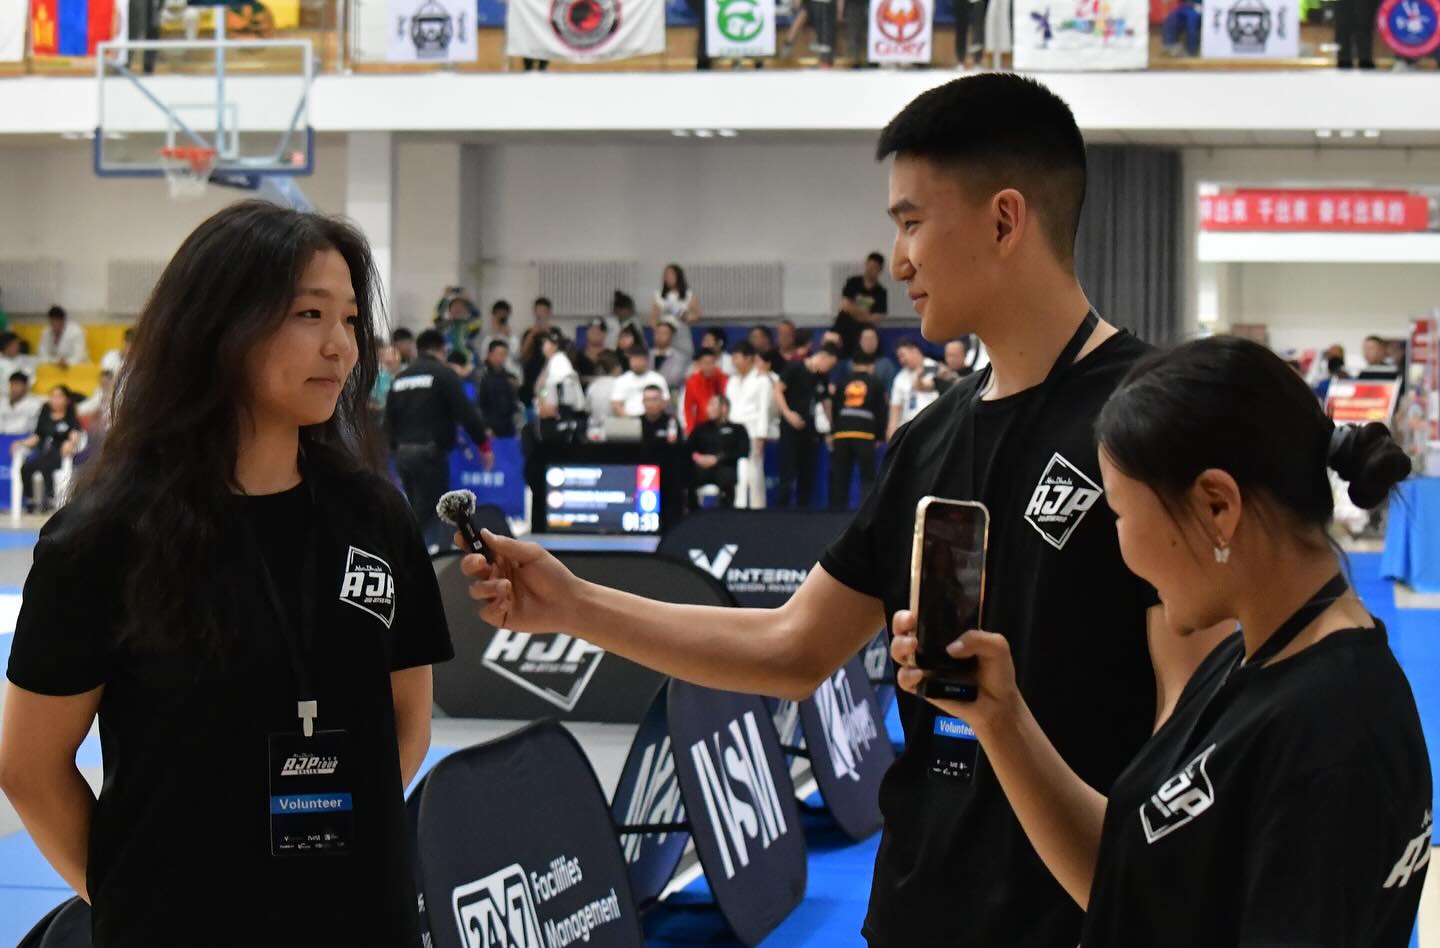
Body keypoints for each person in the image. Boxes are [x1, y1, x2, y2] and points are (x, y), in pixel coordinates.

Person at [453, 74, 1229, 948]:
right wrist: (573, 604)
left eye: (912, 222)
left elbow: (1191, 756)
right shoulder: (929, 439)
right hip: (916, 911)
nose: (897, 262)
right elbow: (792, 648)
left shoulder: (1155, 429)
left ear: (1005, 220)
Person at [0, 202, 452, 946]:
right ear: (217, 326)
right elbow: (29, 766)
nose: (340, 345)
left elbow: (407, 724)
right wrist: (133, 898)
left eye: (349, 319)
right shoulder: (102, 541)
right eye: (310, 314)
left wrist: (324, 868)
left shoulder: (376, 517)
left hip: (363, 920)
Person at [892, 337, 1428, 946]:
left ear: (1217, 507)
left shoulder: (1330, 739)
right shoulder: (1253, 659)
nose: (1122, 549)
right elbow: (1133, 882)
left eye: (1121, 516)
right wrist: (1001, 717)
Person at [386, 328, 493, 549]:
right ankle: (429, 562)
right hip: (430, 454)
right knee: (433, 516)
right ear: (442, 350)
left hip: (404, 455)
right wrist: (483, 445)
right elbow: (466, 413)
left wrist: (395, 449)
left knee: (415, 512)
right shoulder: (443, 374)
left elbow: (387, 421)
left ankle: (410, 556)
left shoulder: (400, 379)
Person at [775, 342, 839, 508]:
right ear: (823, 357)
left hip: (811, 430)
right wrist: (788, 413)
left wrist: (830, 428)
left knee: (807, 473)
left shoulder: (822, 377)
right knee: (787, 473)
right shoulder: (795, 368)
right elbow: (778, 389)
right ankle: (781, 511)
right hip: (791, 427)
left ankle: (803, 511)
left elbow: (826, 402)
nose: (828, 369)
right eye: (829, 365)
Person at [828, 350, 887, 510]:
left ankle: (836, 511)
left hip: (842, 433)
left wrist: (834, 431)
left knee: (840, 475)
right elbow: (881, 411)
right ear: (871, 366)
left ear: (853, 365)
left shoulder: (842, 381)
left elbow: (834, 407)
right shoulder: (876, 382)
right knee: (868, 477)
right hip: (865, 434)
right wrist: (879, 436)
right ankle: (867, 512)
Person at [11, 385, 79, 511]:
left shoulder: (70, 417)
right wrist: (22, 443)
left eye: (59, 396)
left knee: (46, 464)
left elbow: (74, 434)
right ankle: (30, 499)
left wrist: (70, 443)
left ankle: (49, 498)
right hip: (42, 452)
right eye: (52, 396)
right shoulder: (44, 415)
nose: (55, 400)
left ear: (66, 399)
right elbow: (37, 436)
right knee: (26, 467)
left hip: (58, 454)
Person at [726, 341, 773, 508]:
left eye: (737, 357)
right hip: (733, 431)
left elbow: (764, 410)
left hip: (752, 431)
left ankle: (757, 507)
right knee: (738, 472)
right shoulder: (732, 380)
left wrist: (761, 435)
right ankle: (738, 506)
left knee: (754, 473)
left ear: (748, 358)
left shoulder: (762, 380)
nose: (734, 361)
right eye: (733, 357)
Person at [689, 395, 750, 507]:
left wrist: (718, 459)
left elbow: (743, 451)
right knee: (688, 475)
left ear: (724, 408)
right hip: (702, 467)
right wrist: (698, 458)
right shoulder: (701, 428)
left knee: (727, 477)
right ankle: (692, 510)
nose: (709, 408)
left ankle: (727, 510)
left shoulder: (738, 429)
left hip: (725, 466)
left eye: (713, 405)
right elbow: (688, 448)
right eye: (709, 405)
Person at [833, 252, 890, 356]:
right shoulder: (853, 282)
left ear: (880, 270)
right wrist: (864, 314)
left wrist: (853, 310)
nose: (870, 269)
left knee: (871, 341)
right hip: (843, 324)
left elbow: (876, 317)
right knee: (832, 339)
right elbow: (844, 306)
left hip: (863, 329)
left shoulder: (881, 291)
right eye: (869, 266)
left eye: (874, 267)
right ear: (866, 265)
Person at [535, 328, 586, 443]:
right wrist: (542, 400)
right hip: (556, 416)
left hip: (561, 417)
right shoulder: (552, 362)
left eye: (546, 343)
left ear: (555, 346)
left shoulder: (559, 361)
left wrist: (549, 405)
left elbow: (562, 390)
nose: (543, 346)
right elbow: (544, 389)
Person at [888, 336, 940, 439]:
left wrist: (918, 376)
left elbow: (924, 386)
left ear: (915, 350)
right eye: (899, 357)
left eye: (903, 355)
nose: (901, 360)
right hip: (908, 430)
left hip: (932, 427)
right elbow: (895, 406)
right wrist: (891, 429)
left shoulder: (934, 367)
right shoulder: (900, 377)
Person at [650, 264, 701, 356]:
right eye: (666, 275)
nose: (668, 277)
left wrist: (685, 317)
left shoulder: (688, 294)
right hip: (664, 334)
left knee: (684, 356)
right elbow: (653, 317)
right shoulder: (658, 295)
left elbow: (697, 314)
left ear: (678, 276)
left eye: (671, 274)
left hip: (681, 331)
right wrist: (659, 332)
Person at [477, 339, 520, 439]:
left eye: (504, 355)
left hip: (509, 427)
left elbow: (514, 403)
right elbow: (479, 405)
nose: (501, 358)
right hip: (490, 428)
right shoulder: (481, 376)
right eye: (498, 354)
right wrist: (485, 426)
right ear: (490, 355)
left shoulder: (510, 377)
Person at [611, 346, 669, 418]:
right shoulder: (621, 380)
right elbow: (616, 405)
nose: (637, 363)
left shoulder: (658, 379)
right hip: (628, 420)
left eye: (640, 360)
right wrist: (630, 421)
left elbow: (665, 402)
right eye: (634, 360)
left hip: (652, 420)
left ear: (647, 360)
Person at [519, 296, 555, 405]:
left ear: (549, 312)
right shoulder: (529, 333)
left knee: (545, 404)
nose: (540, 315)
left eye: (543, 311)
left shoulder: (554, 333)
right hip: (531, 378)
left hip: (547, 378)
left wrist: (548, 333)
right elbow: (522, 355)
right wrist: (533, 333)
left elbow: (557, 354)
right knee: (530, 408)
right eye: (538, 311)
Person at [684, 347, 729, 432]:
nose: (709, 366)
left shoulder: (724, 379)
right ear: (699, 364)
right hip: (701, 426)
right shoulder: (692, 382)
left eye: (712, 363)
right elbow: (688, 408)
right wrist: (690, 429)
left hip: (721, 424)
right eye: (706, 363)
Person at [845, 325, 897, 393]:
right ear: (859, 341)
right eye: (866, 339)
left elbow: (890, 391)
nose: (869, 342)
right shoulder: (850, 364)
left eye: (872, 339)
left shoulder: (886, 364)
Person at [477, 299, 521, 377]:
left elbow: (516, 355)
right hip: (491, 373)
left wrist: (508, 336)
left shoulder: (513, 335)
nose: (501, 317)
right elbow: (483, 356)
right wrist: (494, 333)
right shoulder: (488, 336)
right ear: (494, 315)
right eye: (498, 314)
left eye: (504, 314)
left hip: (510, 371)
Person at [585, 351, 623, 440]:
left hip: (594, 433)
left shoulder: (593, 386)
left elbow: (587, 410)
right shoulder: (620, 384)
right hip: (616, 432)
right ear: (616, 368)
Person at [651, 320, 692, 395]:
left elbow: (674, 380)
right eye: (658, 333)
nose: (660, 336)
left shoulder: (680, 358)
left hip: (672, 393)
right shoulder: (647, 355)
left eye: (664, 333)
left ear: (671, 336)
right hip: (647, 393)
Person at [0, 371, 41, 435]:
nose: (14, 388)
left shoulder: (34, 404)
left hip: (23, 436)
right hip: (3, 436)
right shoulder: (3, 401)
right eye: (12, 384)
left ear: (25, 387)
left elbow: (33, 428)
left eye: (17, 385)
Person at [576, 317, 609, 381]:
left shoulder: (613, 358)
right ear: (586, 332)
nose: (595, 332)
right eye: (592, 329)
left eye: (599, 330)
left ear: (604, 333)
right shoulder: (576, 357)